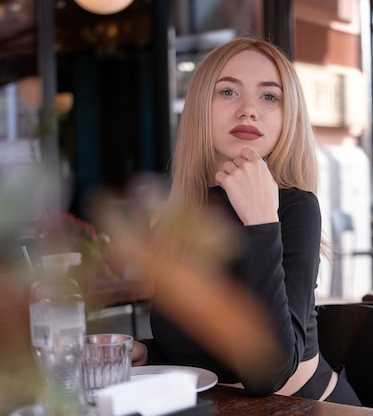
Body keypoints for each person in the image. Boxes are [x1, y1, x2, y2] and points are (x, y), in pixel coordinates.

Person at [131, 36, 361, 405]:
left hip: (305, 408)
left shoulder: (295, 207)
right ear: (200, 107)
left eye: (269, 96)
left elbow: (266, 374)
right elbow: (206, 341)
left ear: (289, 116)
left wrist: (261, 222)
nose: (249, 110)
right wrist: (148, 354)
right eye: (228, 92)